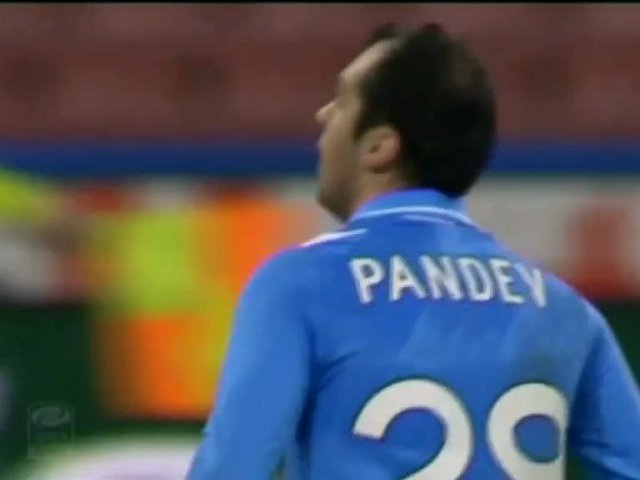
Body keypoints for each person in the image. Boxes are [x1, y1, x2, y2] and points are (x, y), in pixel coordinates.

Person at [186, 23, 640, 479]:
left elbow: (231, 468)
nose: (323, 115)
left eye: (342, 101)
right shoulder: (563, 309)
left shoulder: (300, 285)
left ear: (379, 146)